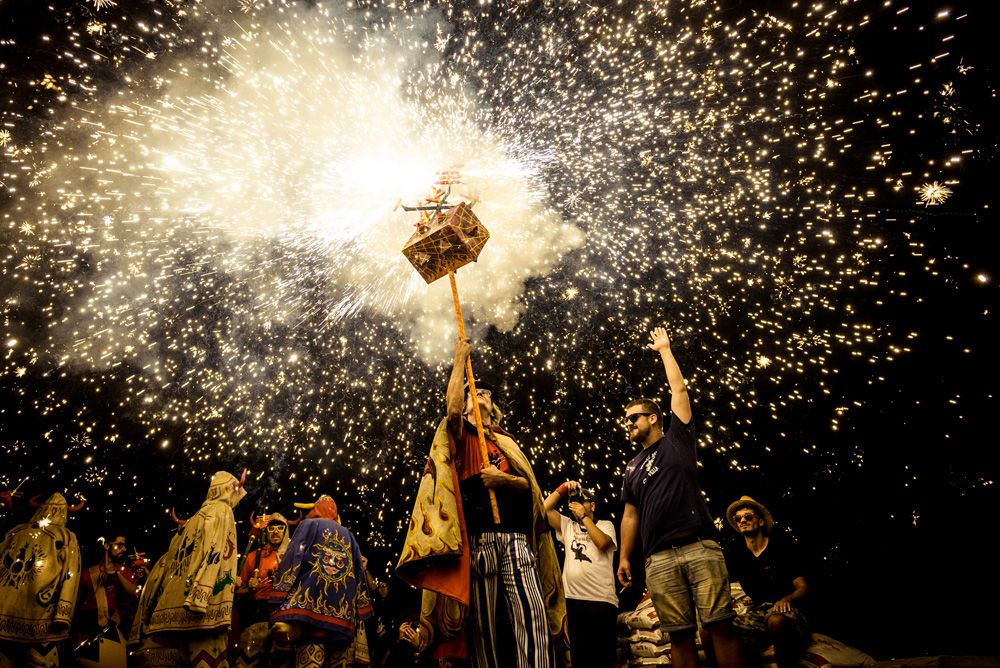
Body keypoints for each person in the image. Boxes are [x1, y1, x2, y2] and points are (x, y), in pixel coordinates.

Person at [396, 336, 569, 668]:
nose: (481, 395)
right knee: (484, 632)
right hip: (478, 544)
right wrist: (460, 358)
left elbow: (531, 492)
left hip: (517, 543)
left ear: (495, 408)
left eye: (487, 394)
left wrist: (504, 480)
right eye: (475, 392)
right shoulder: (461, 436)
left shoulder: (507, 442)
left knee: (532, 619)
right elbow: (452, 411)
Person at [617, 326, 743, 668]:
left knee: (720, 626)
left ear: (654, 418)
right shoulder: (630, 467)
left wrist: (665, 350)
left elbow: (680, 389)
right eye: (626, 419)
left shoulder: (677, 440)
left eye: (634, 417)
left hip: (698, 546)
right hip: (657, 559)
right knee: (679, 634)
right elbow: (630, 515)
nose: (627, 423)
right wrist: (624, 557)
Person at [130, 470, 247, 668]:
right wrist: (201, 594)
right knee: (209, 658)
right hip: (203, 608)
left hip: (178, 609)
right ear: (228, 491)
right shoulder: (221, 511)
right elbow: (214, 551)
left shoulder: (194, 519)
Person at [269, 495, 372, 668]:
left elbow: (293, 557)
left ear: (317, 509)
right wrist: (362, 609)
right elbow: (359, 572)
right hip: (342, 621)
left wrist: (278, 596)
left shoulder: (308, 525)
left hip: (309, 617)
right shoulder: (349, 535)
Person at [725, 496, 811, 668]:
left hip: (788, 611)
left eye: (748, 516)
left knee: (775, 621)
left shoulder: (781, 548)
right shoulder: (737, 556)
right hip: (759, 613)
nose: (743, 520)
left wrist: (787, 599)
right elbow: (725, 589)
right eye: (738, 518)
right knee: (722, 629)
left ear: (761, 521)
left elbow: (803, 587)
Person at [0, 493, 82, 668]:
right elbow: (70, 574)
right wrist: (63, 614)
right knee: (41, 662)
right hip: (41, 617)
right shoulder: (67, 537)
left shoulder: (16, 531)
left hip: (5, 614)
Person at [543, 480, 618, 668]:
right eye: (574, 501)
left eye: (582, 501)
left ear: (592, 505)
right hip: (574, 601)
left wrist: (584, 517)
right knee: (579, 658)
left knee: (602, 658)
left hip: (602, 601)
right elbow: (542, 509)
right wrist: (562, 489)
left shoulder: (606, 525)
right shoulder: (568, 526)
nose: (576, 505)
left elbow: (602, 543)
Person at [234, 513, 290, 668]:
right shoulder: (254, 556)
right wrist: (249, 589)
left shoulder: (292, 557)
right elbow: (236, 591)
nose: (276, 531)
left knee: (281, 660)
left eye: (280, 528)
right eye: (272, 528)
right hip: (258, 613)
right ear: (266, 531)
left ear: (286, 531)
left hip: (285, 615)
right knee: (249, 657)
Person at [72, 535, 143, 655]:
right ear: (106, 546)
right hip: (87, 632)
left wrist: (116, 574)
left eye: (124, 545)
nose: (124, 549)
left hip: (116, 631)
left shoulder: (124, 571)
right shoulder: (86, 574)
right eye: (119, 545)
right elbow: (75, 604)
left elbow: (135, 593)